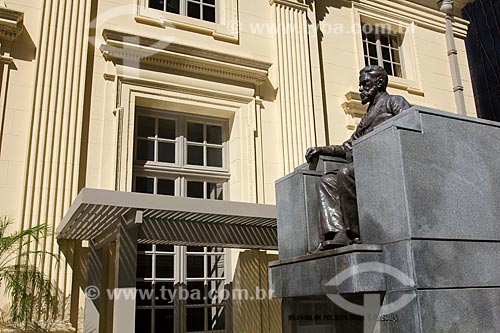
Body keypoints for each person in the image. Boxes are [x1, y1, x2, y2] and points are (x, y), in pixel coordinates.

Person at [305, 65, 411, 251]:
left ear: (379, 83)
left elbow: (409, 129)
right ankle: (337, 233)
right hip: (365, 166)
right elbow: (348, 146)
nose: (360, 89)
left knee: (346, 172)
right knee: (327, 180)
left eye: (364, 84)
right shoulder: (366, 117)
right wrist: (321, 149)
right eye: (360, 85)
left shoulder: (394, 102)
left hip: (387, 163)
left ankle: (356, 233)